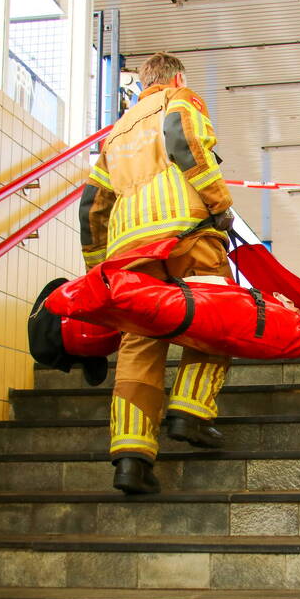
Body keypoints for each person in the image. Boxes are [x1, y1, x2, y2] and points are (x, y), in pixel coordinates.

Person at [78, 52, 236, 495]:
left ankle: (131, 459)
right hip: (187, 234)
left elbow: (90, 207)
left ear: (141, 82)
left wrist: (99, 273)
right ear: (177, 77)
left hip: (130, 251)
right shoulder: (180, 99)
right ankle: (190, 412)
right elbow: (184, 142)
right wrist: (220, 204)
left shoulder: (116, 133)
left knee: (140, 344)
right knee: (216, 317)